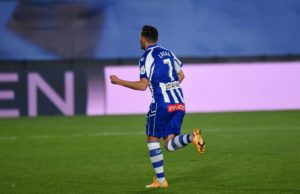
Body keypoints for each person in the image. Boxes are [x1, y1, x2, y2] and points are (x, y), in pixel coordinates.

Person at [110, 25, 206, 188]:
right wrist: (170, 85)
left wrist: (119, 81)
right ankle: (191, 137)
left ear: (143, 38)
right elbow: (181, 75)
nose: (139, 40)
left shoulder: (146, 57)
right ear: (156, 38)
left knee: (152, 139)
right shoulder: (168, 52)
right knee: (169, 143)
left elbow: (142, 85)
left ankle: (161, 181)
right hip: (179, 103)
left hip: (162, 104)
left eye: (140, 37)